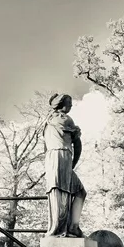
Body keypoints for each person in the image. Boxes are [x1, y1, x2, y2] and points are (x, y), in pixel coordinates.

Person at [44, 93, 86, 237]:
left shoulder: (48, 120)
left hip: (51, 158)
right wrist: (73, 164)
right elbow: (78, 146)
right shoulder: (66, 119)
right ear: (62, 105)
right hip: (62, 156)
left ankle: (67, 227)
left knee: (65, 191)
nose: (71, 105)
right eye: (69, 102)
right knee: (71, 192)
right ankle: (64, 228)